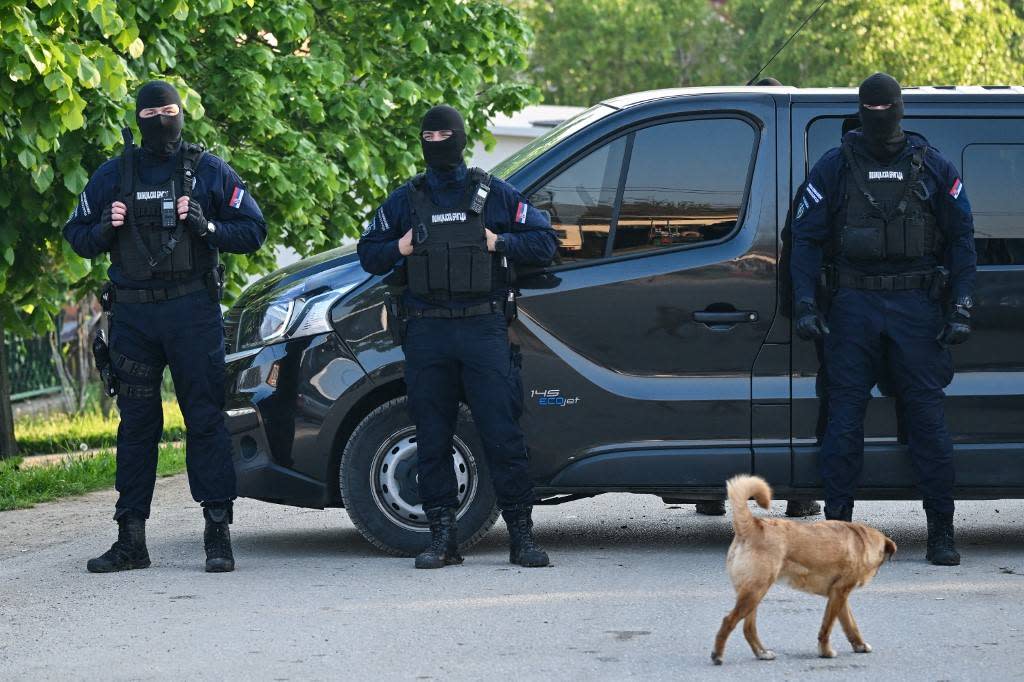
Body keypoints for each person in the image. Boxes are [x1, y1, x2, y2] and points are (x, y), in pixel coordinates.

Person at [64, 80, 267, 573]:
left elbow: (253, 231)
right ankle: (131, 539)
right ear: (138, 117)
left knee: (205, 420)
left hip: (193, 312)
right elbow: (77, 235)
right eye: (152, 111)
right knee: (137, 426)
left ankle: (217, 536)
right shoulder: (114, 174)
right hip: (133, 316)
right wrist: (105, 227)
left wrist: (207, 226)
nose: (162, 119)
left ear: (182, 114)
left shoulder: (208, 172)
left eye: (169, 109)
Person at [358, 105, 558, 569]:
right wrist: (401, 246)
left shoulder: (494, 194)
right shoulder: (407, 199)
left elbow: (545, 242)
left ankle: (522, 537)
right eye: (430, 134)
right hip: (427, 330)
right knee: (431, 437)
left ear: (462, 138)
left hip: (483, 327)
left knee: (502, 433)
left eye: (446, 133)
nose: (438, 141)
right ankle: (442, 537)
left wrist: (498, 242)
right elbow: (369, 252)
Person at [790, 73, 976, 565]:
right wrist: (806, 304)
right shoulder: (834, 167)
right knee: (844, 421)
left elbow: (962, 240)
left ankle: (941, 531)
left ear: (899, 110)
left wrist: (960, 305)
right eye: (871, 109)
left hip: (917, 307)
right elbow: (804, 240)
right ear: (861, 110)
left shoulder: (932, 166)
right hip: (851, 305)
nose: (879, 118)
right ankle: (837, 533)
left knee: (927, 421)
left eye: (885, 109)